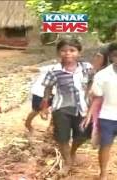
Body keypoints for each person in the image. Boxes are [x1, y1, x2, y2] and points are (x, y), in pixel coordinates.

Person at [40, 37, 94, 175]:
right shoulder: (54, 70)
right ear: (59, 53)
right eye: (64, 50)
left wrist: (90, 99)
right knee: (62, 137)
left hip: (83, 108)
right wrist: (44, 107)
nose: (68, 53)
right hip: (62, 108)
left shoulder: (87, 68)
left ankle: (72, 151)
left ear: (79, 53)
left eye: (72, 50)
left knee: (82, 135)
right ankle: (68, 162)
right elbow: (47, 88)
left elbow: (91, 83)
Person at [81, 42, 117, 180]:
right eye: (116, 55)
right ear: (111, 56)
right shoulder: (102, 75)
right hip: (108, 116)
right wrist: (89, 114)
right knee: (105, 145)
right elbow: (97, 97)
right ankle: (103, 174)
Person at [22, 63, 56, 133]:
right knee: (36, 110)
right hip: (40, 92)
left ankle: (51, 128)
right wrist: (27, 67)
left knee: (58, 111)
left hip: (55, 93)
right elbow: (38, 69)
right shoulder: (53, 67)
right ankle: (27, 124)